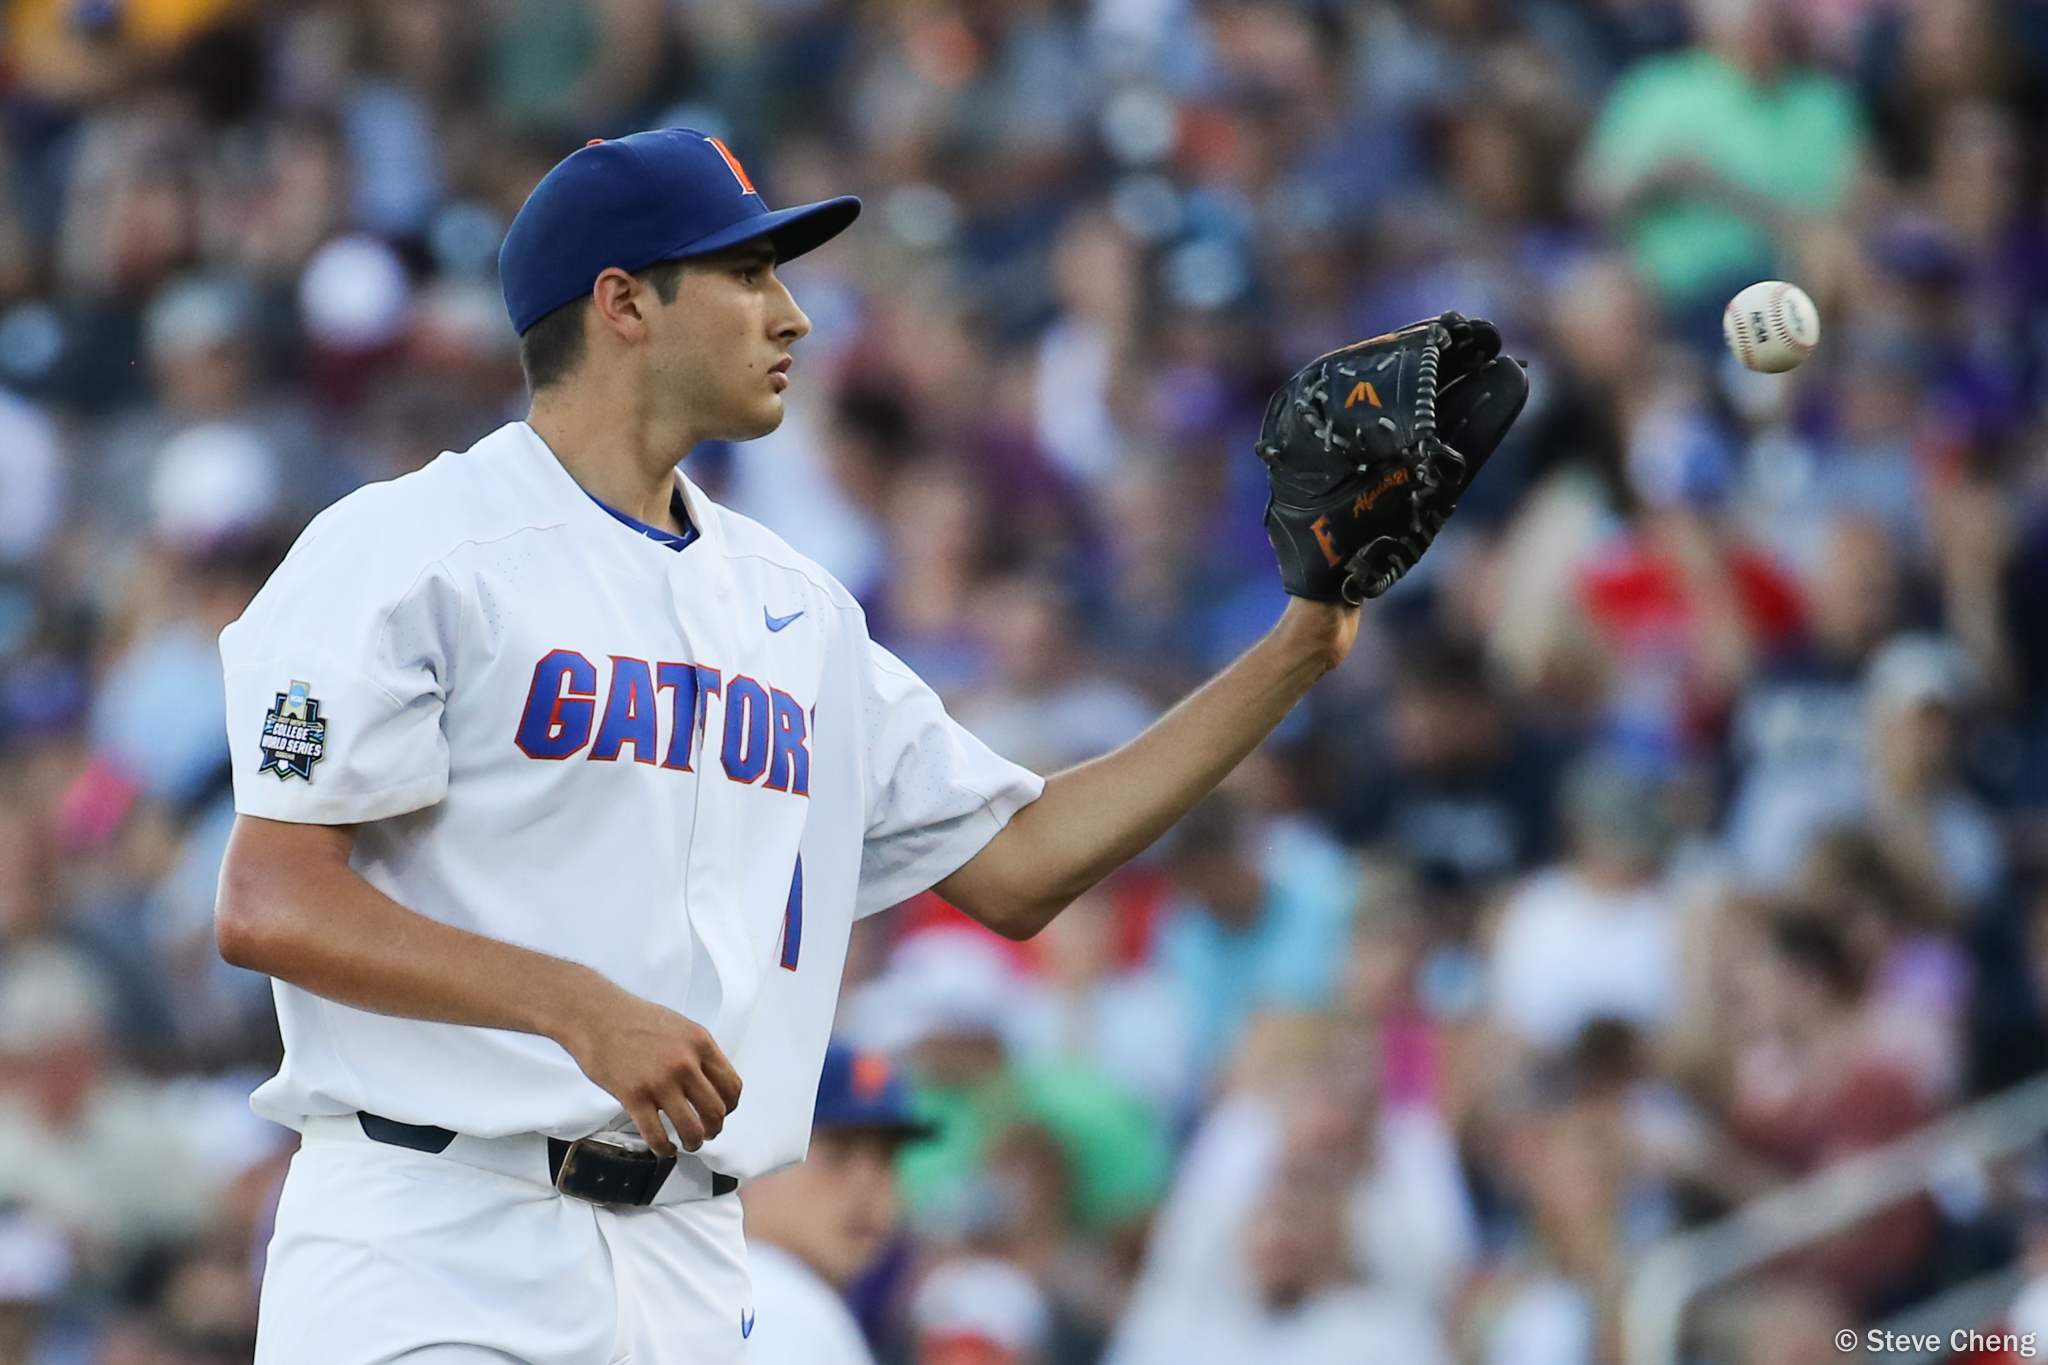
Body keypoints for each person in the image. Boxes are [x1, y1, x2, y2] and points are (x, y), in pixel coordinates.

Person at [211, 127, 1444, 1364]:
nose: (791, 315)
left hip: (690, 1258)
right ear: (623, 303)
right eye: (747, 274)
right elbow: (270, 899)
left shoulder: (795, 607)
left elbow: (1018, 865)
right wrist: (573, 1006)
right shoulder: (413, 547)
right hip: (436, 1235)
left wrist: (1301, 642)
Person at [742, 1042, 933, 1365]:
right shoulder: (785, 1311)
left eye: (886, 1158)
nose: (867, 1186)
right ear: (753, 1161)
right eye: (837, 1154)